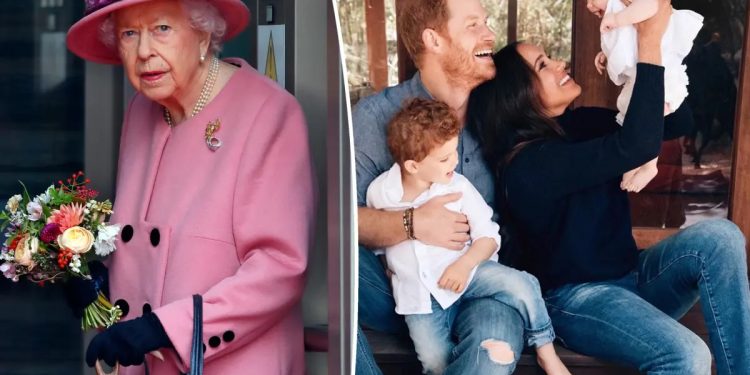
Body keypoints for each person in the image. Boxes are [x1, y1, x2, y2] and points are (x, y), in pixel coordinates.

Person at [467, 0, 750, 373]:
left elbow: (677, 120)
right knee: (686, 354)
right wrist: (646, 42)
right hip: (577, 301)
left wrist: (638, 54)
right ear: (517, 96)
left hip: (632, 280)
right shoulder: (528, 165)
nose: (559, 64)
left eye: (550, 57)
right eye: (543, 65)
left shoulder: (581, 125)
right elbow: (635, 145)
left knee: (720, 238)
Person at [64, 0, 315, 374]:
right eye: (129, 34)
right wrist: (101, 280)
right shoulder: (141, 110)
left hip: (232, 363)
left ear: (202, 34)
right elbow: (150, 244)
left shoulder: (269, 112)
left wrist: (167, 328)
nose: (144, 50)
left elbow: (279, 268)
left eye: (161, 29)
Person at [353, 0, 528, 373]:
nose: (490, 35)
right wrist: (411, 224)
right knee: (327, 257)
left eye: (487, 22)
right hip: (404, 291)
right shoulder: (373, 118)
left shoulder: (500, 114)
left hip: (483, 287)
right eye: (473, 25)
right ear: (434, 39)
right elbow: (338, 222)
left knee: (491, 360)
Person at [366, 98, 570, 375]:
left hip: (471, 273)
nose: (455, 162)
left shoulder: (458, 186)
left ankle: (546, 350)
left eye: (454, 152)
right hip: (419, 297)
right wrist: (388, 269)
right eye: (444, 158)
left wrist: (464, 265)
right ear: (413, 166)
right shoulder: (381, 193)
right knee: (434, 361)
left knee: (523, 284)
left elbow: (489, 235)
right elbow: (379, 241)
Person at [587, 0, 703, 192]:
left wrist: (617, 18)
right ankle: (636, 160)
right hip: (643, 71)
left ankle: (649, 165)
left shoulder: (623, 8)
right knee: (633, 112)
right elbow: (628, 40)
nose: (590, 5)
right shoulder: (620, 8)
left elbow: (651, 6)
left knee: (647, 114)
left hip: (660, 70)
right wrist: (607, 53)